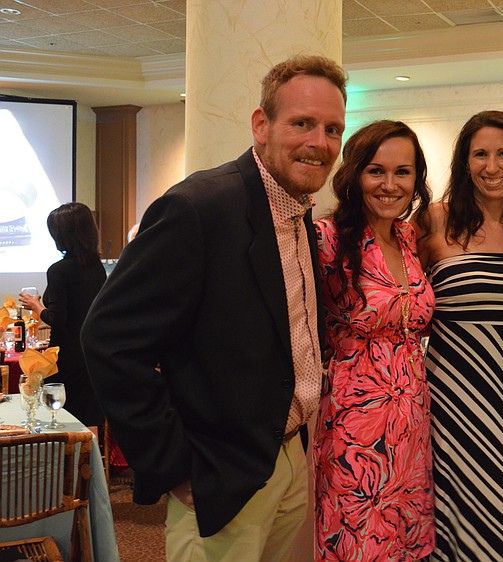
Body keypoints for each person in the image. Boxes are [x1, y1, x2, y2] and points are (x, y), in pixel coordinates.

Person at [80, 55, 347, 562]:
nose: (320, 142)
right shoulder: (200, 208)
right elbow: (109, 339)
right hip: (221, 474)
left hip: (289, 458)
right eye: (302, 123)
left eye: (332, 128)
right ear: (261, 124)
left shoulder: (298, 216)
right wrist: (174, 465)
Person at [416, 110, 503, 561]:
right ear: (464, 161)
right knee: (449, 508)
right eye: (480, 154)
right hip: (448, 393)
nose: (492, 166)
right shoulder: (434, 221)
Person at [313, 120, 436, 561]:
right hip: (355, 423)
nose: (390, 185)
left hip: (412, 420)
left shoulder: (407, 237)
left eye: (402, 172)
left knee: (404, 541)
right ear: (354, 175)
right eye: (375, 171)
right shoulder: (326, 239)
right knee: (359, 541)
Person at [18, 202, 106, 427]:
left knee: (62, 418)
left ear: (61, 234)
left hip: (66, 357)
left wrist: (36, 305)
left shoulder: (59, 270)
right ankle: (90, 460)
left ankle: (62, 462)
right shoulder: (96, 267)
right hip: (92, 353)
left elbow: (58, 319)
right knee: (88, 418)